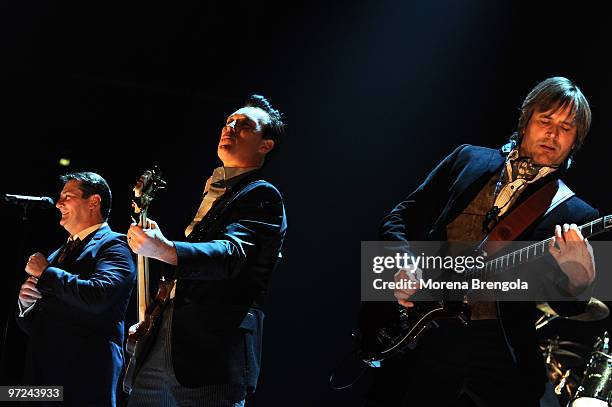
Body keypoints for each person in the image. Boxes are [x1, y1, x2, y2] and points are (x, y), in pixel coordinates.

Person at [365, 77, 598, 407]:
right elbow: (399, 217)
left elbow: (569, 306)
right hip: (418, 329)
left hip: (492, 354)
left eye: (566, 128)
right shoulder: (468, 159)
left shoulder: (576, 213)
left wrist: (580, 280)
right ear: (526, 120)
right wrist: (402, 264)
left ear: (575, 142)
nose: (553, 134)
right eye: (545, 121)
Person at [126, 94, 287, 407]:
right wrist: (154, 318)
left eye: (243, 126)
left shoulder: (263, 195)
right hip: (165, 342)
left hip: (210, 353)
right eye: (228, 123)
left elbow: (230, 255)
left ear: (265, 145)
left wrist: (169, 250)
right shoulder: (212, 191)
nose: (230, 128)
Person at [16, 172, 136, 406]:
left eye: (67, 196)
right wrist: (26, 304)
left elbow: (100, 296)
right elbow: (37, 323)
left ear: (94, 202)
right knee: (7, 394)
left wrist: (47, 273)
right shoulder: (56, 253)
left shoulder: (116, 245)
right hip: (40, 382)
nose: (59, 203)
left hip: (83, 381)